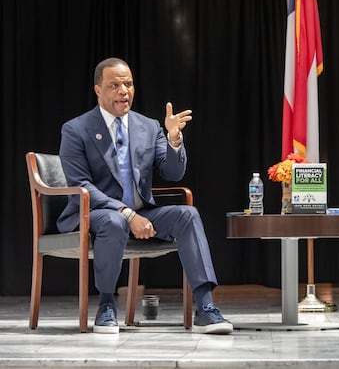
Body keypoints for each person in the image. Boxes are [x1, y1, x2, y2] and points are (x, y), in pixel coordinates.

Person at [58, 57, 233, 335]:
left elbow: (172, 173)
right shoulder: (76, 129)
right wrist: (127, 215)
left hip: (144, 212)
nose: (123, 91)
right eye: (114, 85)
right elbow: (82, 186)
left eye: (128, 84)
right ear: (97, 90)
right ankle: (106, 305)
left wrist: (174, 139)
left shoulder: (149, 127)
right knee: (115, 223)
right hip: (96, 214)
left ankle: (206, 307)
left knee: (188, 215)